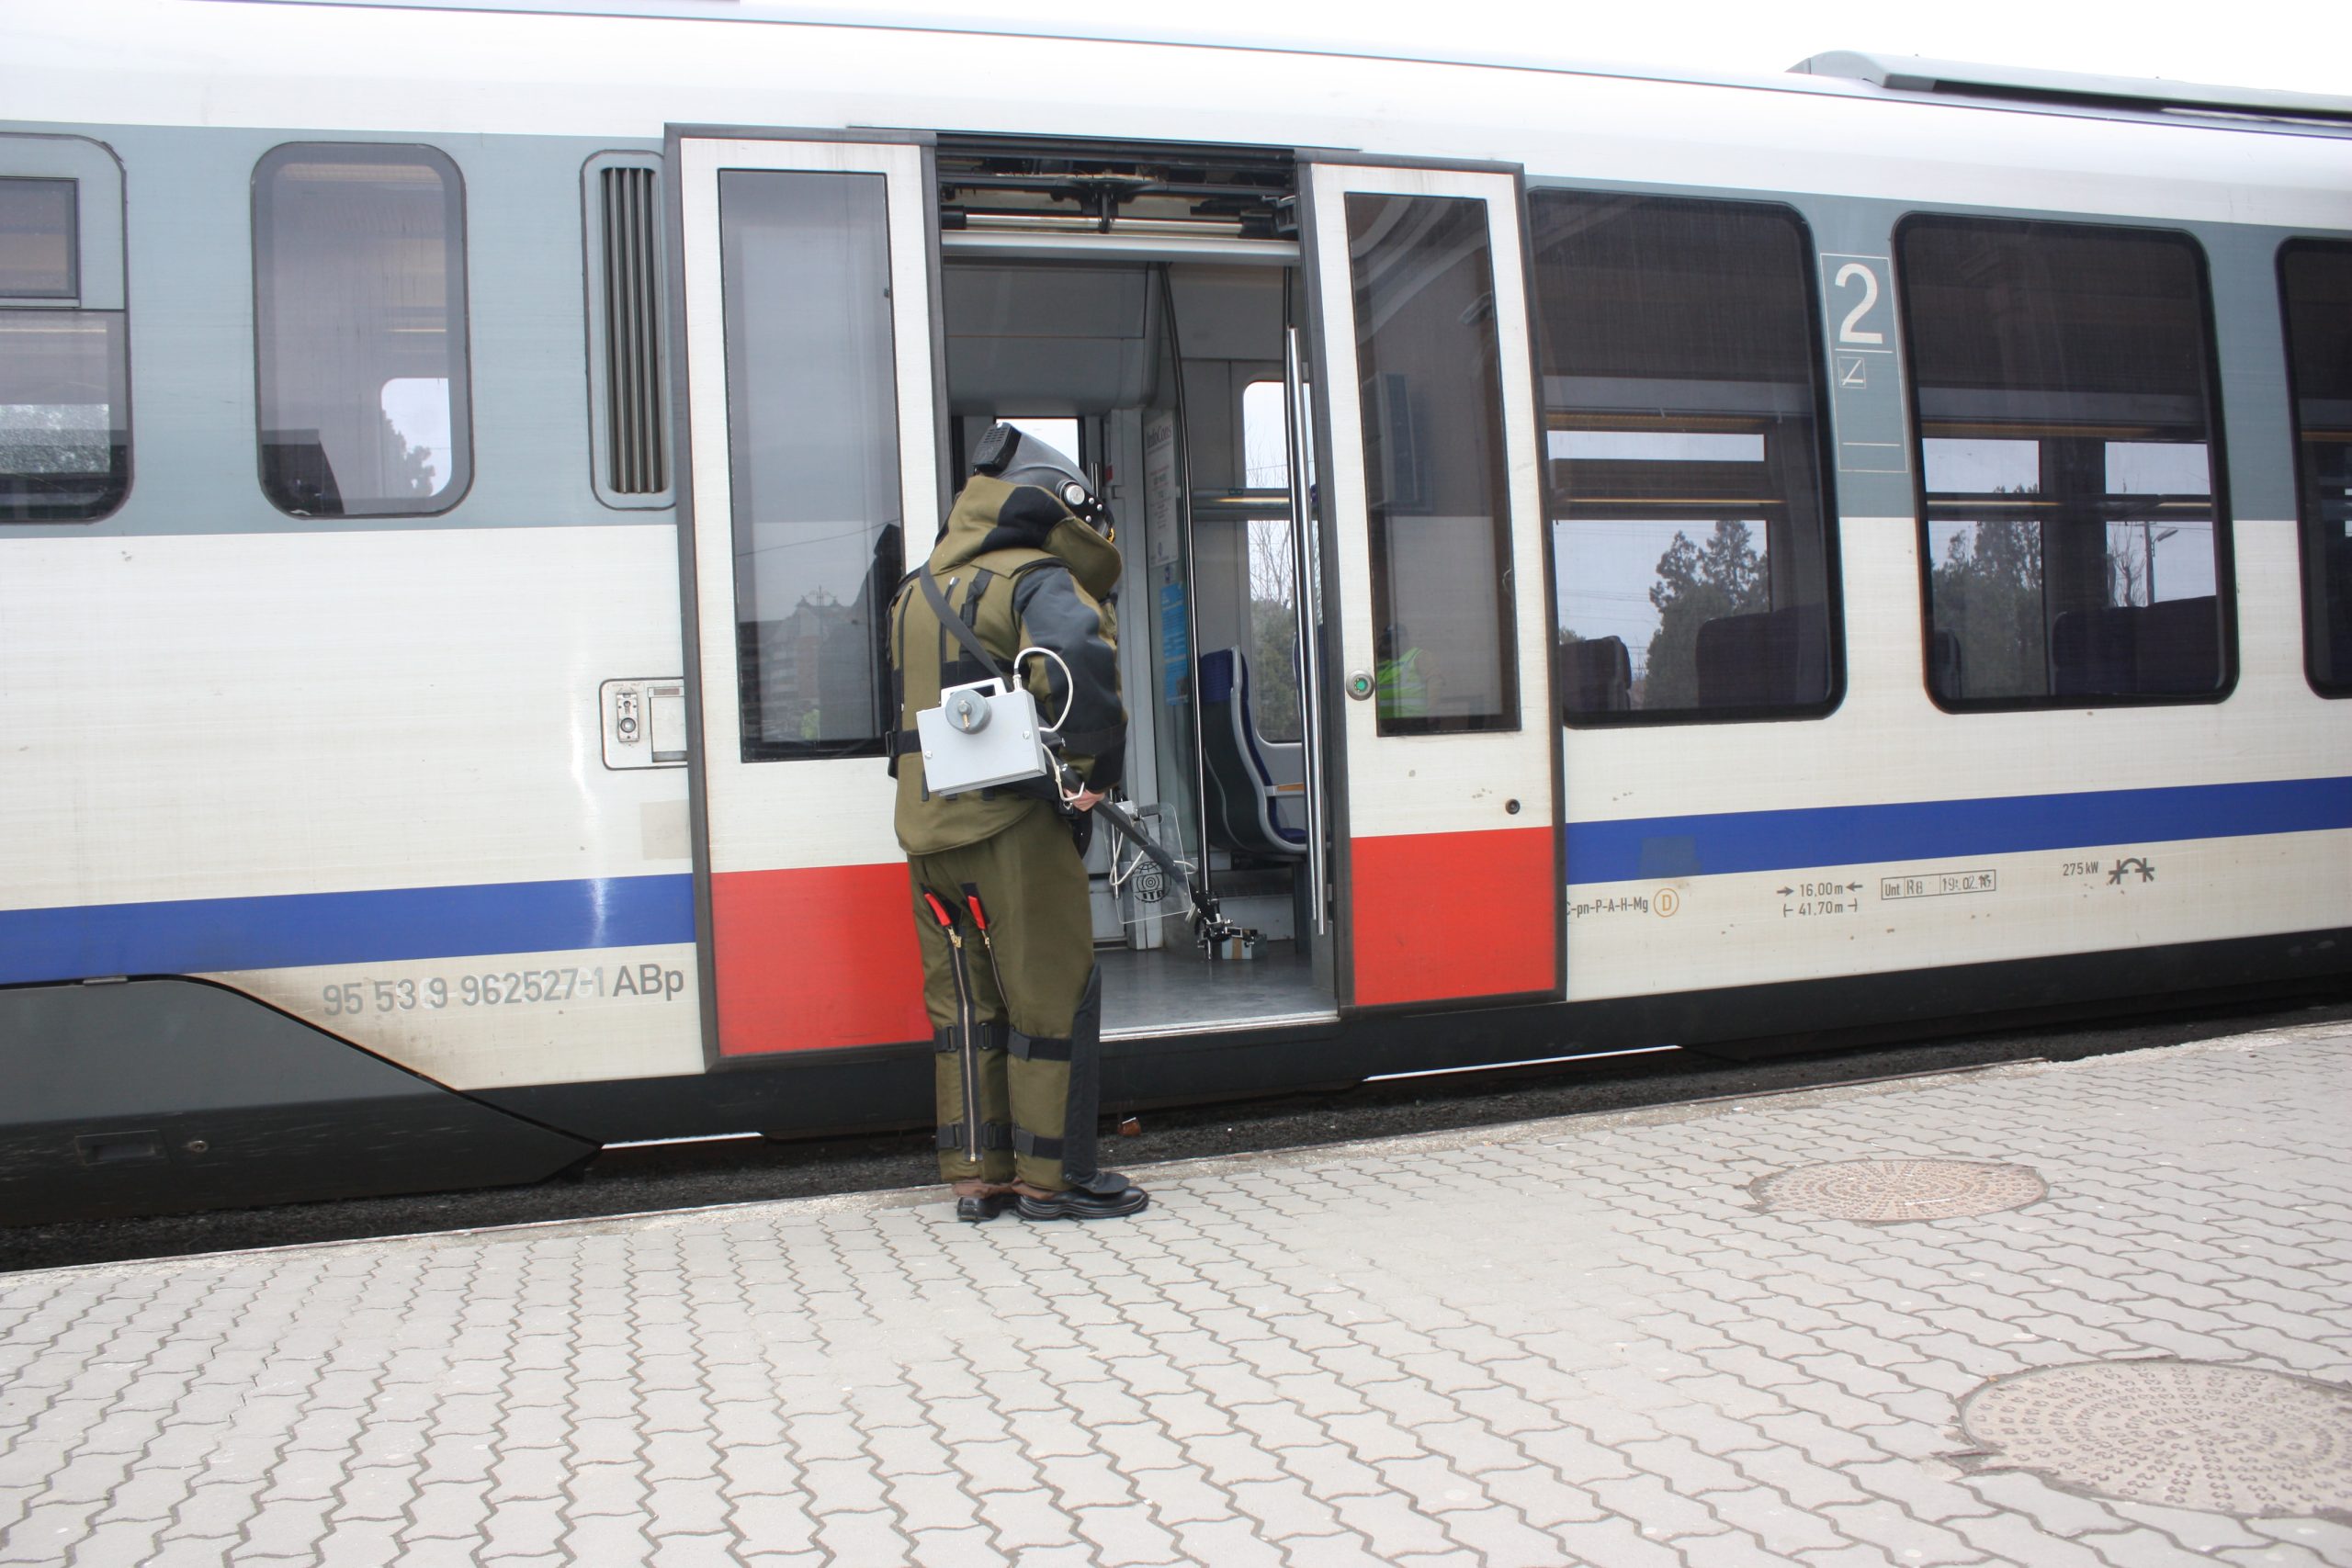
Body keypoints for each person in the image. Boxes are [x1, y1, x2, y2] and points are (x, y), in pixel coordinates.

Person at [886, 424, 1149, 1224]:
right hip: (1014, 832)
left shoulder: (911, 592)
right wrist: (1094, 780)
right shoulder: (1035, 578)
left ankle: (979, 1177)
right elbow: (1077, 673)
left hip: (926, 834)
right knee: (1050, 999)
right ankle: (1053, 1180)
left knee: (966, 1006)